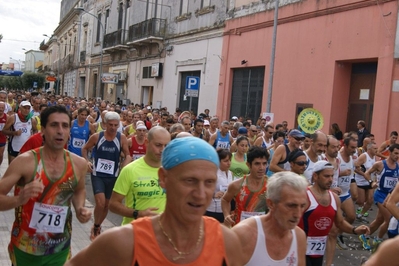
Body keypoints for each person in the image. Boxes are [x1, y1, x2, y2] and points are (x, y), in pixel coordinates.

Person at [65, 137, 245, 266]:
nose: (200, 194)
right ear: (163, 178)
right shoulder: (124, 243)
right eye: (189, 181)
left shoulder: (227, 243)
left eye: (209, 182)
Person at [0, 105, 91, 266]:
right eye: (54, 125)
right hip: (25, 248)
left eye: (65, 126)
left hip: (59, 249)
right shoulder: (25, 162)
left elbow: (79, 190)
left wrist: (80, 208)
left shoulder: (78, 164)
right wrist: (18, 199)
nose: (60, 131)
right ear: (42, 130)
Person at [298, 161, 370, 266]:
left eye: (332, 176)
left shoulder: (334, 198)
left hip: (318, 252)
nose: (330, 180)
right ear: (315, 176)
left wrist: (354, 230)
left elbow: (340, 223)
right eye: (326, 176)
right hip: (300, 251)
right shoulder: (305, 196)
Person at [230, 172, 307, 266]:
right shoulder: (243, 234)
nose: (298, 214)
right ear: (271, 204)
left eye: (302, 206)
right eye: (291, 206)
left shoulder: (299, 237)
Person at [82, 111, 131, 241]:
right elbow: (84, 148)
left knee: (106, 205)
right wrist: (87, 161)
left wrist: (125, 166)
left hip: (113, 175)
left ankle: (97, 225)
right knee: (100, 202)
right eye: (111, 125)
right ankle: (96, 226)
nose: (113, 128)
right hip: (98, 174)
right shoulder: (97, 137)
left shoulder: (121, 138)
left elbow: (128, 155)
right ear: (105, 124)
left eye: (116, 125)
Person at [109, 126, 170, 225]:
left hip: (162, 234)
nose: (162, 150)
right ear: (147, 143)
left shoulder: (172, 170)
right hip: (135, 233)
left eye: (166, 146)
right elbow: (113, 204)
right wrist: (138, 213)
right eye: (158, 145)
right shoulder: (130, 170)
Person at [358, 143, 399, 252]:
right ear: (389, 153)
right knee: (389, 218)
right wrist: (371, 183)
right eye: (395, 153)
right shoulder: (380, 164)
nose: (397, 156)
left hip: (390, 197)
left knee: (379, 220)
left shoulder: (398, 167)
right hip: (380, 195)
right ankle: (378, 239)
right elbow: (367, 173)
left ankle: (365, 235)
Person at [222, 146, 269, 227]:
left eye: (264, 163)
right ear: (248, 165)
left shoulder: (271, 185)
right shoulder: (237, 185)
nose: (261, 168)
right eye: (257, 164)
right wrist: (226, 215)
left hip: (262, 231)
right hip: (239, 232)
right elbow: (225, 200)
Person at [3, 100, 37, 164]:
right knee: (12, 167)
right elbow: (4, 131)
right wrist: (14, 133)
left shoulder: (32, 119)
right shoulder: (13, 118)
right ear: (20, 108)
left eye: (28, 108)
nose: (26, 110)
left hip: (27, 148)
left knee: (25, 168)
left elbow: (35, 130)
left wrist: (33, 136)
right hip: (14, 147)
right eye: (24, 108)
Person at [205, 149, 233, 223]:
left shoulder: (230, 173)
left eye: (230, 160)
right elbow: (204, 190)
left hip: (226, 211)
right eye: (226, 161)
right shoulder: (212, 174)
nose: (229, 163)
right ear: (218, 161)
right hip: (212, 210)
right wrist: (214, 195)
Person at [354, 142, 377, 220]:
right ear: (369, 149)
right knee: (361, 200)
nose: (376, 150)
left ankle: (361, 214)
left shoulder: (374, 157)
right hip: (361, 181)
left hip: (370, 181)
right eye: (375, 148)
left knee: (370, 200)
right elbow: (355, 168)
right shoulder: (364, 156)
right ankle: (354, 207)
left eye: (377, 148)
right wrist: (364, 174)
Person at [0, 101, 8, 166]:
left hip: (2, 138)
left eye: (2, 107)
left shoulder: (7, 117)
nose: (1, 109)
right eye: (0, 107)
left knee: (0, 154)